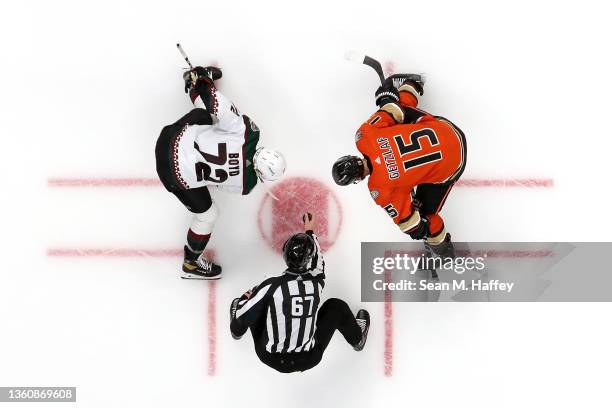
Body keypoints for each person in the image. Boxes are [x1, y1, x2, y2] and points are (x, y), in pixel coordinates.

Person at [155, 66, 286, 279]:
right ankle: (191, 263)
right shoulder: (247, 185)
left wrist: (203, 82)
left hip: (169, 139)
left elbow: (216, 104)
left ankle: (193, 82)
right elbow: (215, 183)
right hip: (171, 176)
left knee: (211, 115)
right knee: (208, 214)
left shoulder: (249, 133)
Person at [332, 75, 467, 259]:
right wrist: (386, 97)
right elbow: (393, 109)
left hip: (455, 164)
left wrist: (421, 230)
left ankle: (443, 248)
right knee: (399, 113)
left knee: (426, 215)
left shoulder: (379, 188)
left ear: (357, 179)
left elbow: (410, 224)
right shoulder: (364, 136)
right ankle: (412, 84)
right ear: (351, 157)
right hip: (449, 131)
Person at [229, 213, 370, 373]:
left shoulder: (271, 286)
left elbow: (241, 320)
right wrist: (310, 232)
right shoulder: (316, 283)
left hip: (270, 357)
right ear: (309, 259)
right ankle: (357, 339)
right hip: (309, 358)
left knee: (254, 303)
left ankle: (237, 334)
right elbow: (318, 262)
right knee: (337, 307)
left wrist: (245, 301)